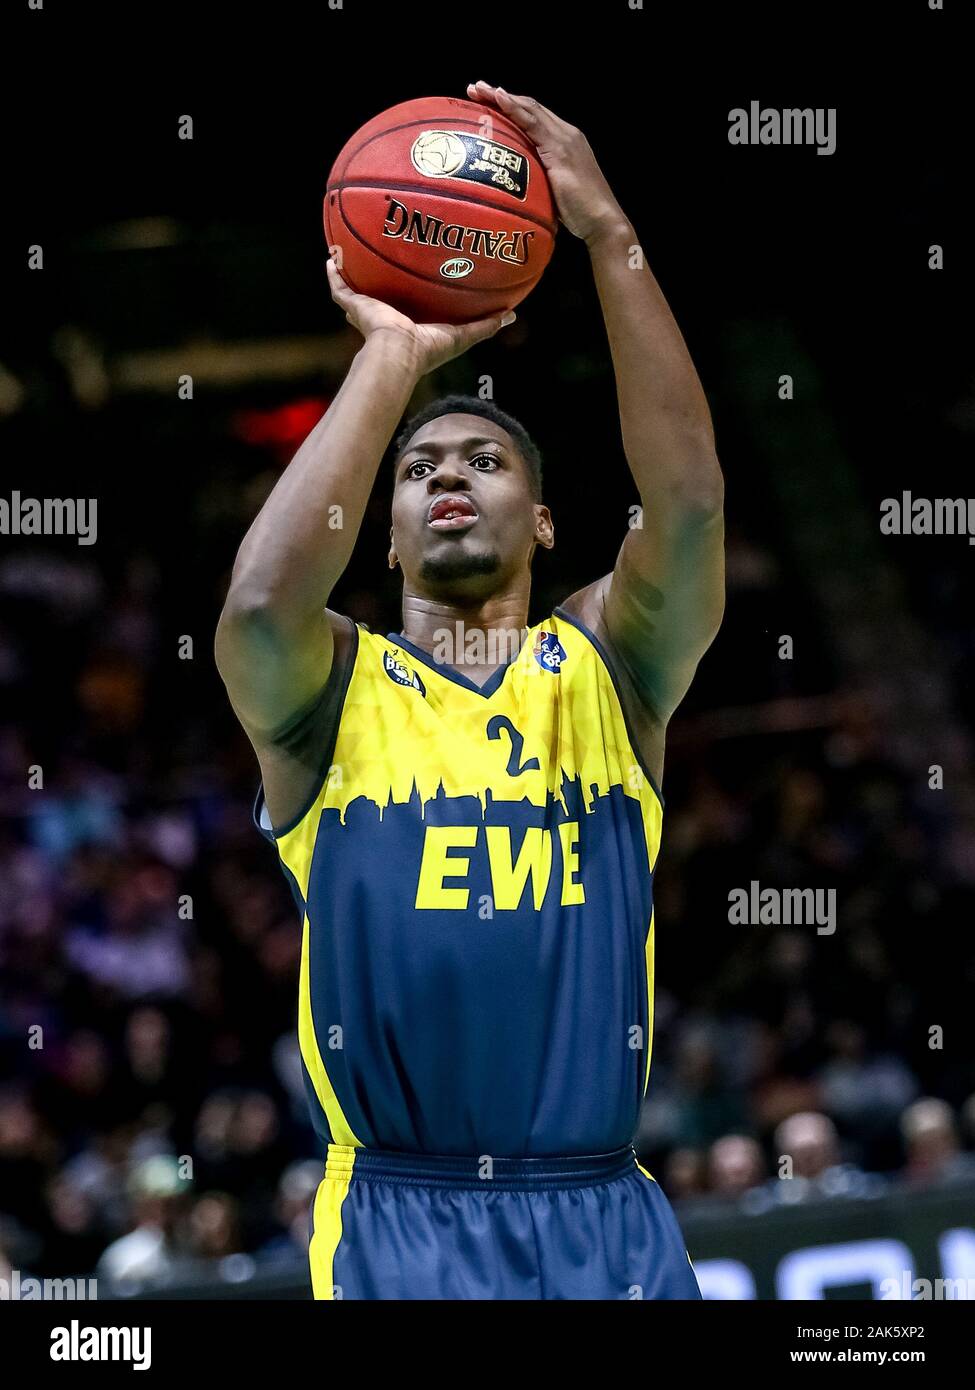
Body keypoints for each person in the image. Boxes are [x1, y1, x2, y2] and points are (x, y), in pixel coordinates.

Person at [216, 80, 724, 1300]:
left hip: (605, 1212)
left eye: (485, 459)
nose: (449, 476)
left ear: (545, 521)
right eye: (419, 471)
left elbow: (692, 505)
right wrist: (391, 360)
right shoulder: (331, 694)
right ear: (381, 536)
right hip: (402, 1214)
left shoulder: (613, 666)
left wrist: (611, 238)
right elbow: (252, 610)